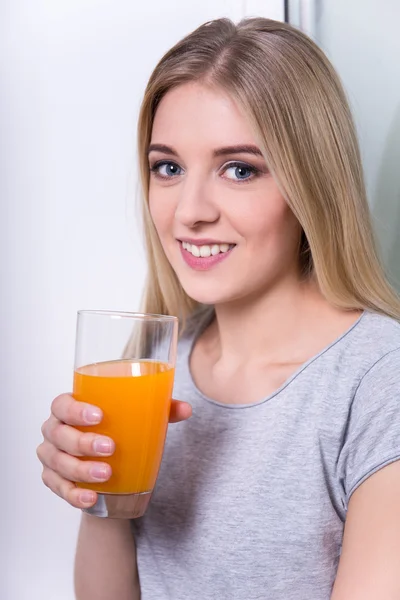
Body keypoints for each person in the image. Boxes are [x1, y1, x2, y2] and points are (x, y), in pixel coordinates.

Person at [37, 16, 400, 600]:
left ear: (312, 183)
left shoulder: (380, 383)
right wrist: (99, 493)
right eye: (169, 168)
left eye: (239, 169)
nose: (189, 211)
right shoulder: (158, 369)